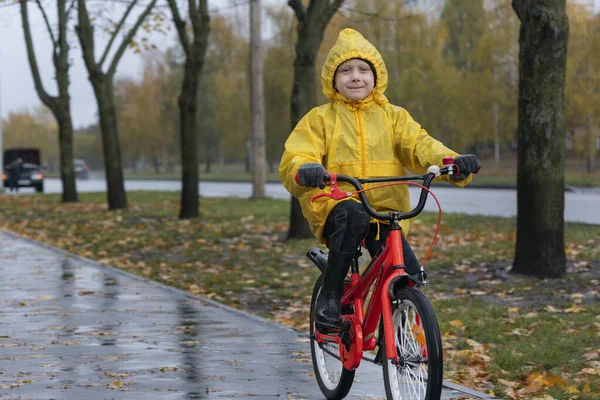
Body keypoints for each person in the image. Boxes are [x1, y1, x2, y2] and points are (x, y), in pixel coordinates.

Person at [279, 29, 481, 333]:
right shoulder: (319, 119)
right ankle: (331, 296)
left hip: (385, 206)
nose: (355, 77)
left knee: (408, 272)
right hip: (337, 202)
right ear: (332, 80)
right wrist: (306, 167)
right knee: (352, 215)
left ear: (376, 76)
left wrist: (450, 162)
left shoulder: (393, 117)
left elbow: (421, 145)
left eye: (363, 69)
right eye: (345, 70)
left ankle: (400, 328)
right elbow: (299, 152)